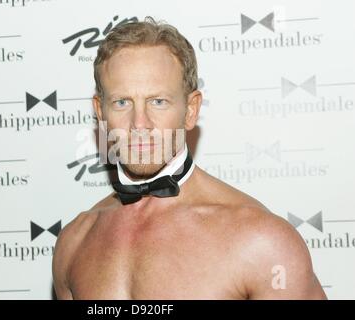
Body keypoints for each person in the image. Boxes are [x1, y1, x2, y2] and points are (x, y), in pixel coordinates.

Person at [52, 17, 327, 299]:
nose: (140, 123)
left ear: (191, 109)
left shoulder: (262, 241)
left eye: (158, 101)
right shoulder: (74, 242)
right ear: (100, 111)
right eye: (122, 102)